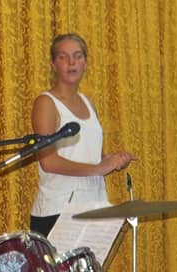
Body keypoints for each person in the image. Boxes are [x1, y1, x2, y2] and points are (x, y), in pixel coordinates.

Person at [28, 33, 136, 237]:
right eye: (63, 57)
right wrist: (99, 169)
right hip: (57, 210)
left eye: (77, 56)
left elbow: (94, 158)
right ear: (53, 64)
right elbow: (49, 162)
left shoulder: (88, 102)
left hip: (94, 206)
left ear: (85, 63)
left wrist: (113, 161)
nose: (71, 62)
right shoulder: (46, 102)